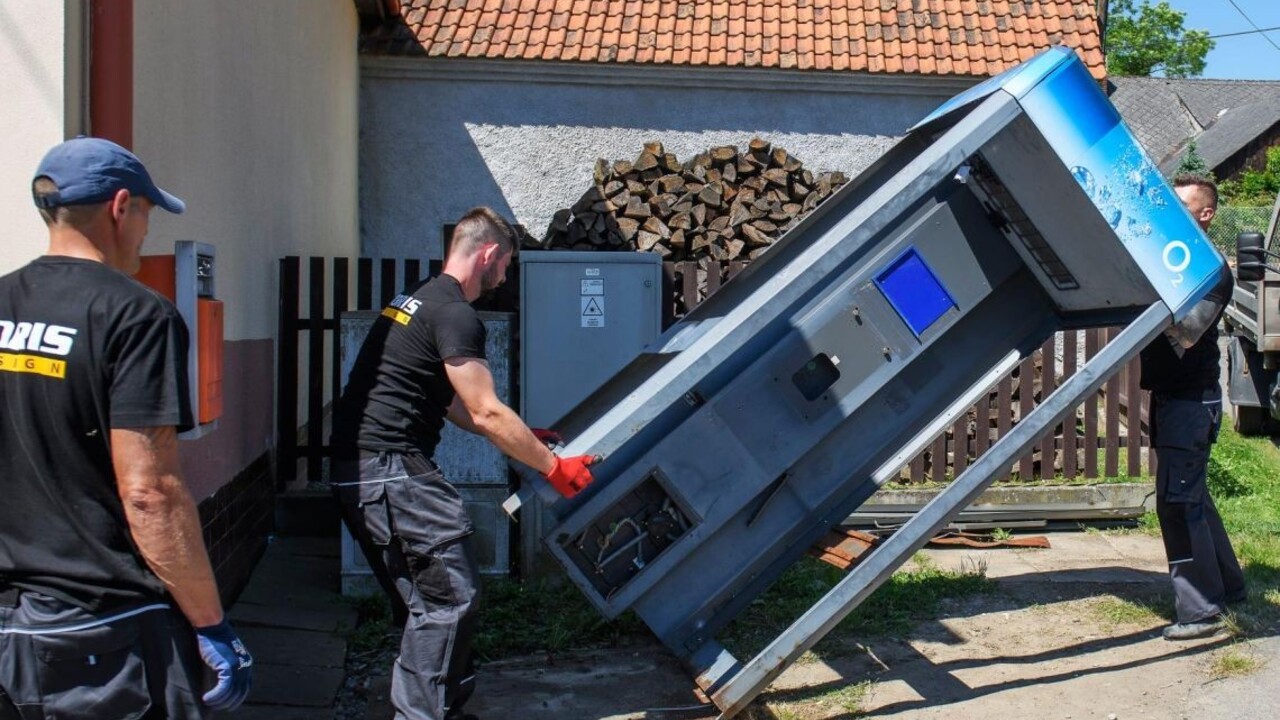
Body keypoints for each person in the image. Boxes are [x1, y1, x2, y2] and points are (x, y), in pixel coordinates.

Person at [0, 137, 253, 718]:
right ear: (121, 207)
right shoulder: (137, 314)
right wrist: (212, 624)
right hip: (101, 635)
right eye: (147, 213)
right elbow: (150, 492)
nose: (146, 231)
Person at [330, 207, 596, 720]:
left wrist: (526, 437)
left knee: (429, 604)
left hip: (361, 472)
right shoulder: (455, 313)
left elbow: (453, 404)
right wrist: (553, 466)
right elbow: (486, 408)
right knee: (451, 601)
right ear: (490, 253)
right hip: (391, 472)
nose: (505, 277)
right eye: (508, 265)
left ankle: (441, 709)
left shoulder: (416, 300)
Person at [1140, 173, 1246, 641]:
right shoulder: (1175, 262)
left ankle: (1201, 610)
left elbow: (1185, 332)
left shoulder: (1210, 271)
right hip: (1174, 396)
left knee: (1179, 503)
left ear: (1206, 214)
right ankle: (1229, 584)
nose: (1173, 215)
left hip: (1192, 401)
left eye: (1183, 207)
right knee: (1193, 496)